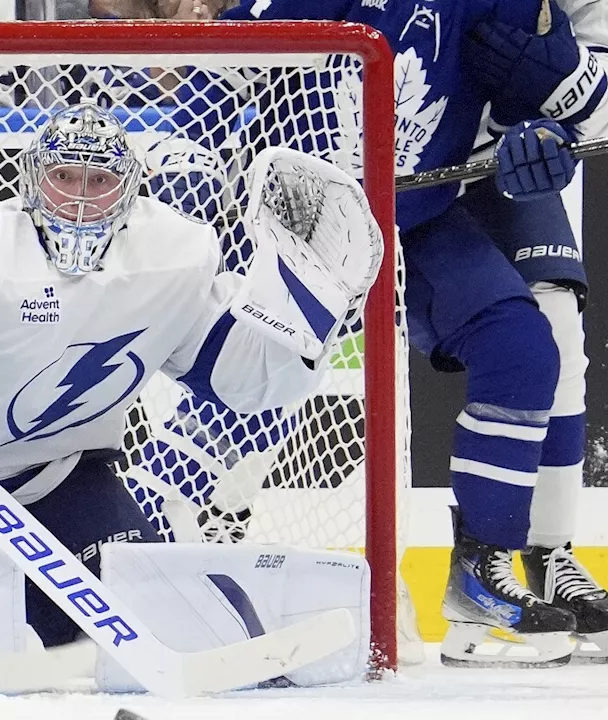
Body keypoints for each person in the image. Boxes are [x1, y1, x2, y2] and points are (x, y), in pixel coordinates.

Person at [0, 103, 384, 647]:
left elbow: (244, 384)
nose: (79, 199)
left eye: (99, 181)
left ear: (129, 191)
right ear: (31, 181)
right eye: (65, 178)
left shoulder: (174, 257)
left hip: (58, 486)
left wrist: (307, 324)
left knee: (180, 628)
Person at [137, 0, 596, 667]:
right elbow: (228, 62)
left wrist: (542, 140)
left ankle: (479, 584)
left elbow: (538, 98)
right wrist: (191, 151)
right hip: (308, 220)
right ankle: (145, 518)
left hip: (417, 215)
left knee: (521, 348)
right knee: (271, 379)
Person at [458, 0, 608, 660]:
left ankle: (547, 555)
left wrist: (557, 99)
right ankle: (214, 524)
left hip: (495, 166)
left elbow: (599, 107)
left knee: (554, 330)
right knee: (296, 328)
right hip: (365, 153)